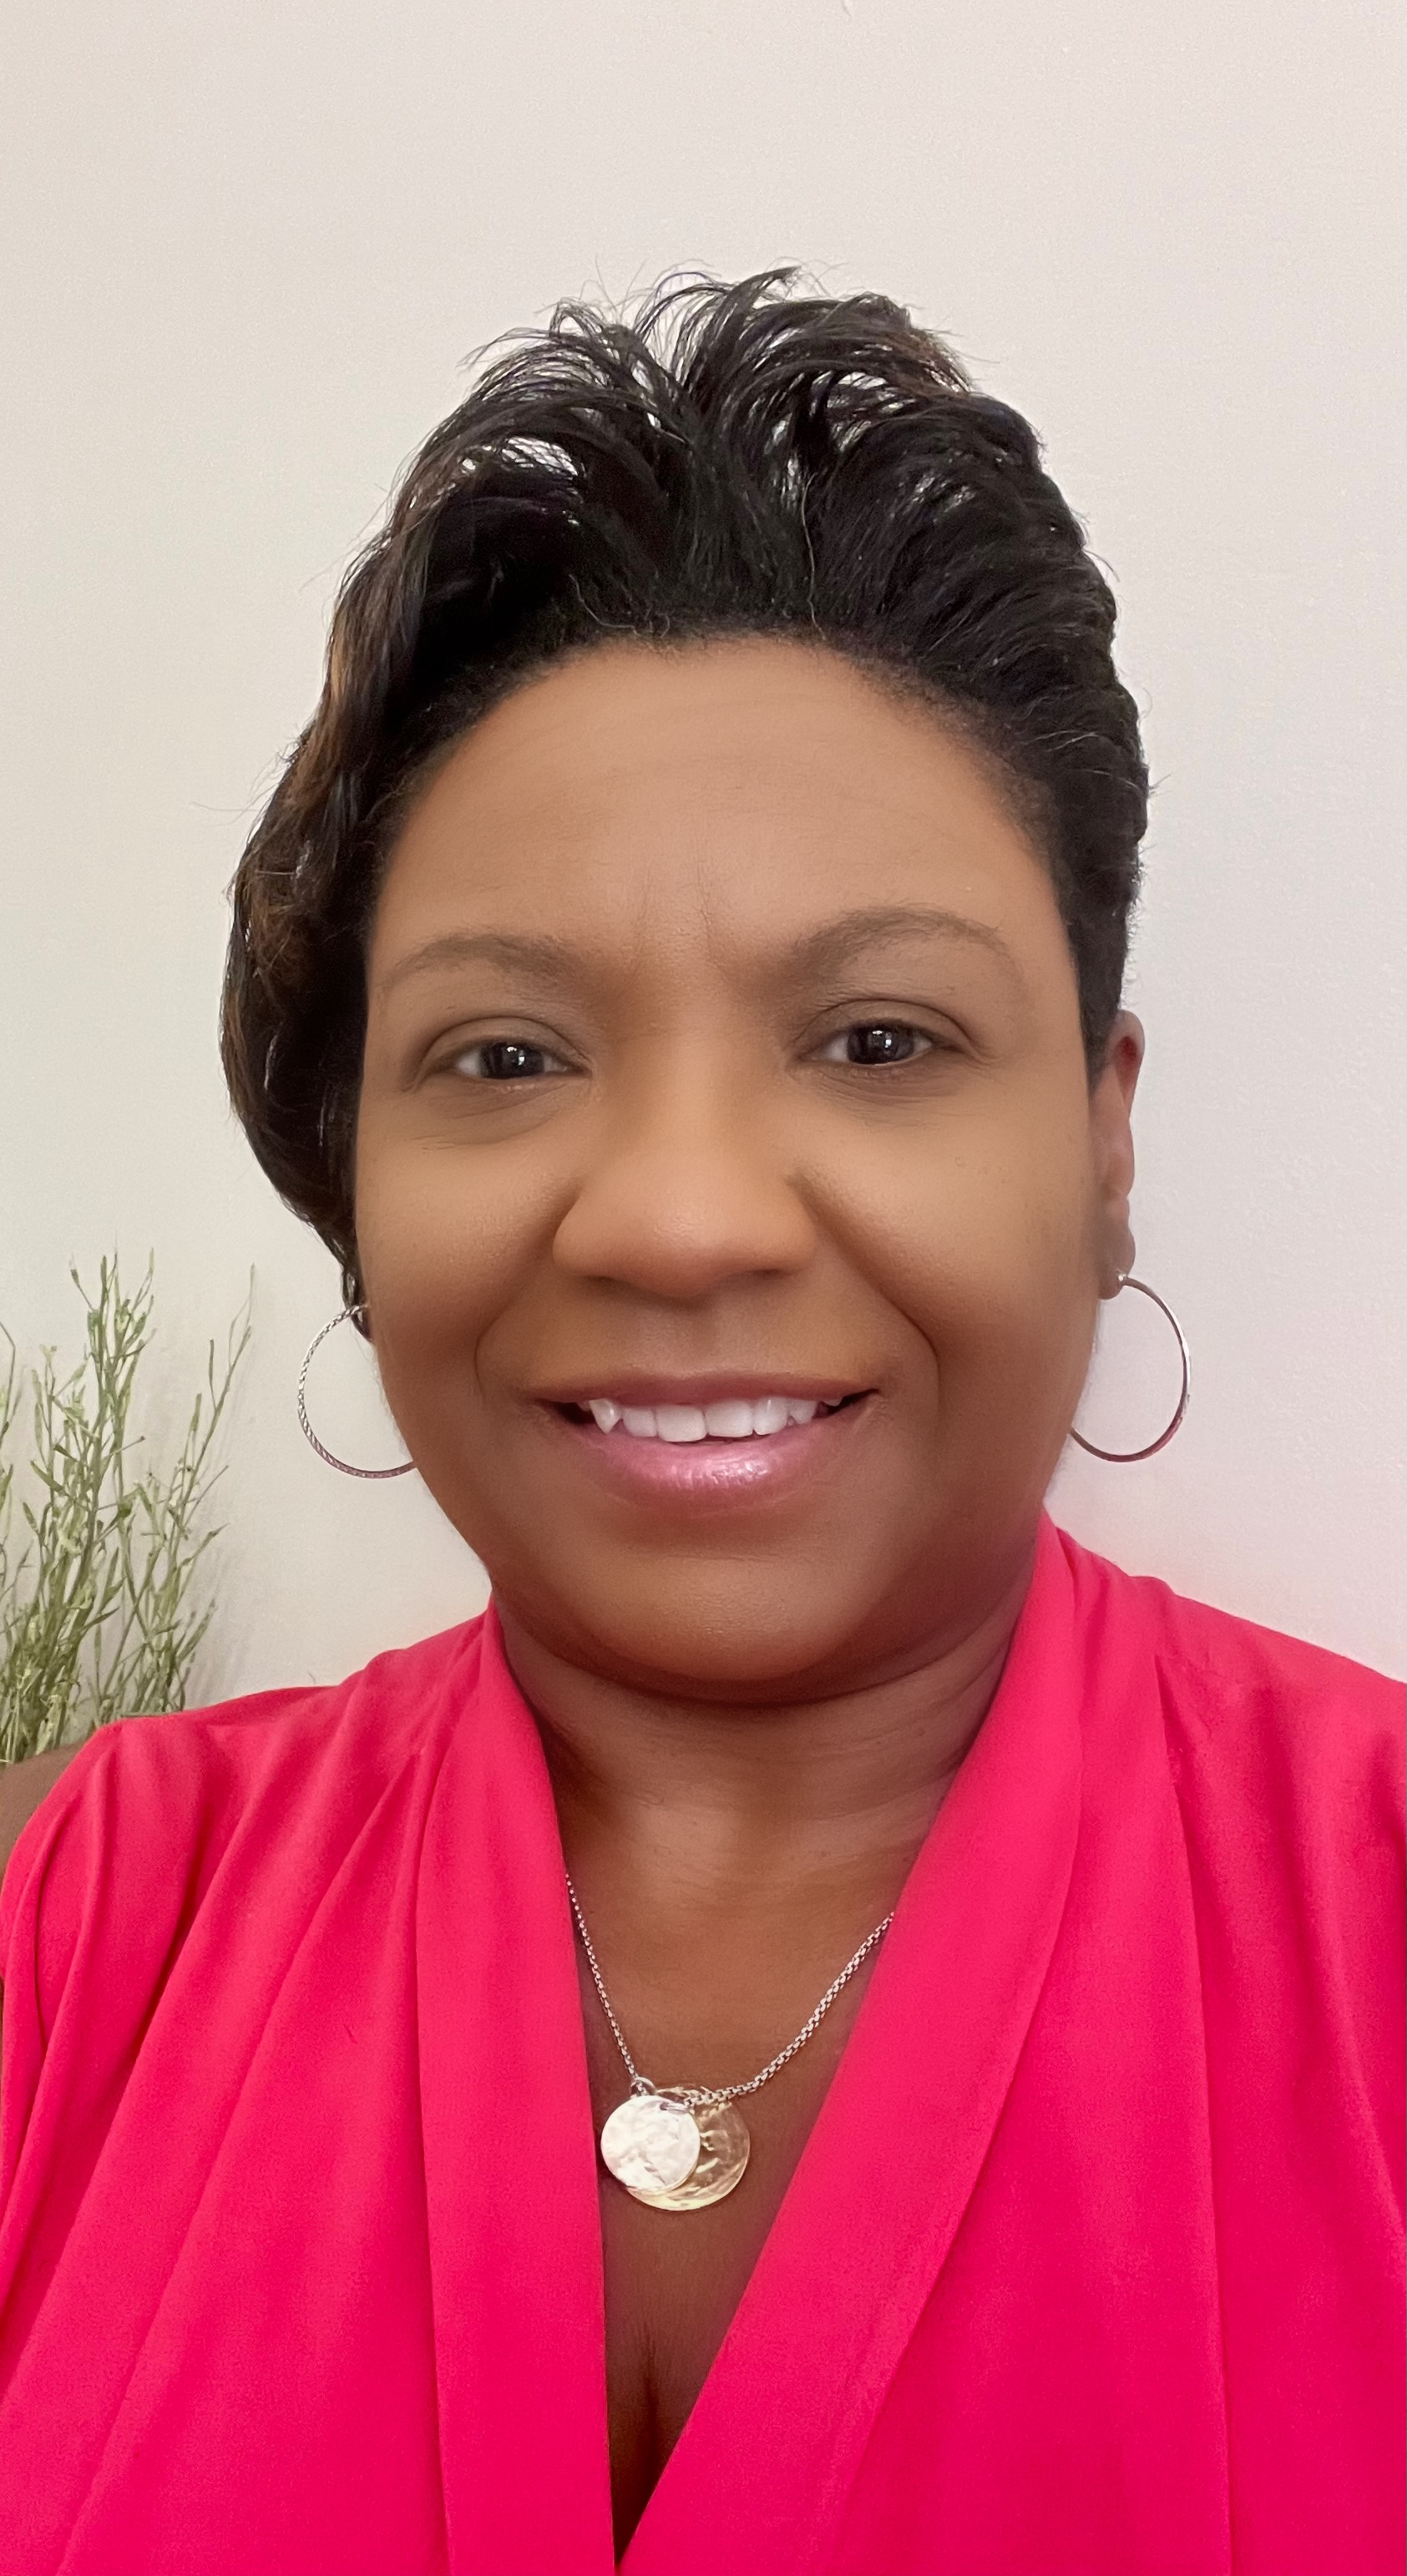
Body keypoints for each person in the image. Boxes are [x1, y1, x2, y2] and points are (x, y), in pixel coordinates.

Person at [0, 275, 1399, 2576]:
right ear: (357, 1162)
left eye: (872, 1039)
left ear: (1101, 1132)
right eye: (507, 1055)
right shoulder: (80, 1936)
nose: (671, 1218)